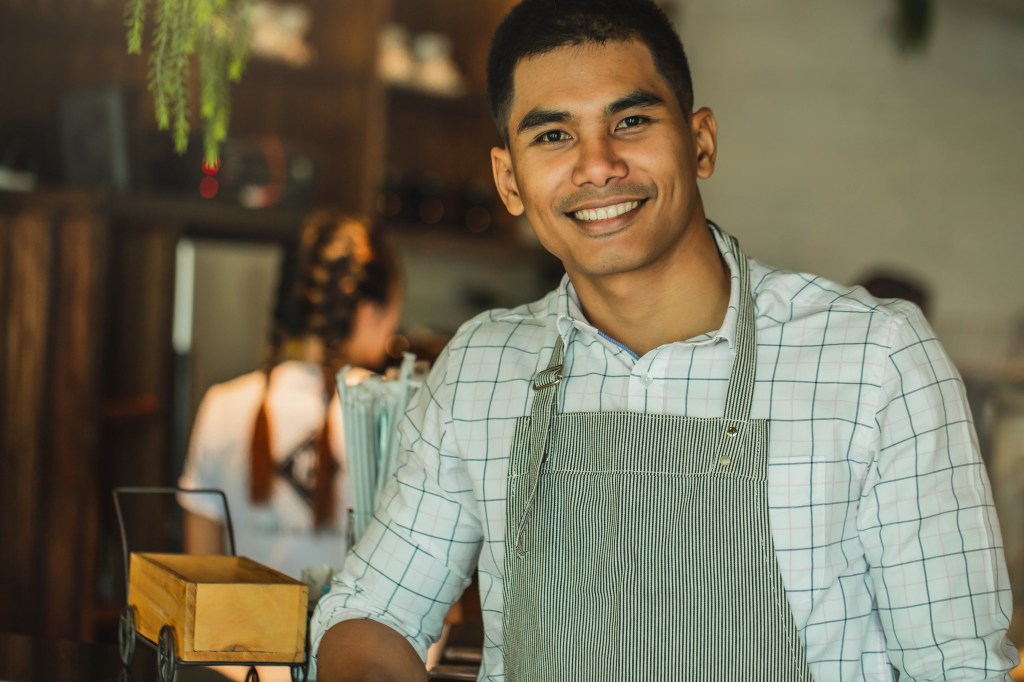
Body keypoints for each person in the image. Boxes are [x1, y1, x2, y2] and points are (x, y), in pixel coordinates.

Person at [311, 1, 1019, 680]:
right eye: (553, 135)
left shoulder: (876, 359)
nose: (597, 165)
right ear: (508, 180)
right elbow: (373, 612)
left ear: (700, 141)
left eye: (631, 121)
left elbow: (956, 668)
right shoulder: (480, 368)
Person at [178, 210, 403, 580]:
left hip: (237, 621)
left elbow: (200, 576)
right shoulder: (395, 411)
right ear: (366, 312)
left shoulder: (221, 406)